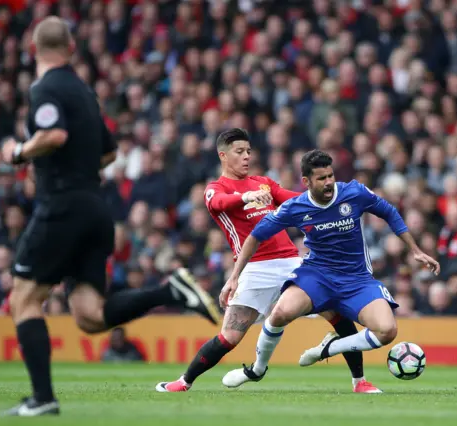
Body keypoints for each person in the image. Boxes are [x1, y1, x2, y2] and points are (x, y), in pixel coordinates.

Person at [0, 17, 219, 417]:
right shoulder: (83, 92)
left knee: (24, 299)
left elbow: (53, 136)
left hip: (62, 207)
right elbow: (109, 152)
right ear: (71, 46)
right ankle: (171, 292)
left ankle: (42, 399)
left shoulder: (47, 88)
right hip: (95, 209)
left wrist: (17, 152)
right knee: (89, 316)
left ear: (34, 50)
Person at [156, 129, 381, 394]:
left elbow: (298, 201)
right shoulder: (216, 189)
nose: (246, 156)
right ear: (223, 156)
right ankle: (184, 382)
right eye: (239, 152)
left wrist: (332, 198)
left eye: (248, 151)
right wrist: (245, 197)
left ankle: (359, 382)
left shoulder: (264, 183)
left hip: (290, 262)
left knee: (336, 313)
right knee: (230, 336)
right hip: (254, 269)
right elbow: (218, 203)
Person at [221, 150, 440, 385]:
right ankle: (257, 369)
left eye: (330, 176)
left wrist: (415, 250)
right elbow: (255, 236)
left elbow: (388, 211)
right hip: (317, 275)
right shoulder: (295, 207)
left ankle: (330, 348)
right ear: (306, 182)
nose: (328, 183)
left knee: (388, 331)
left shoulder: (354, 193)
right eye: (321, 178)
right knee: (280, 314)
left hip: (356, 279)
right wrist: (235, 276)